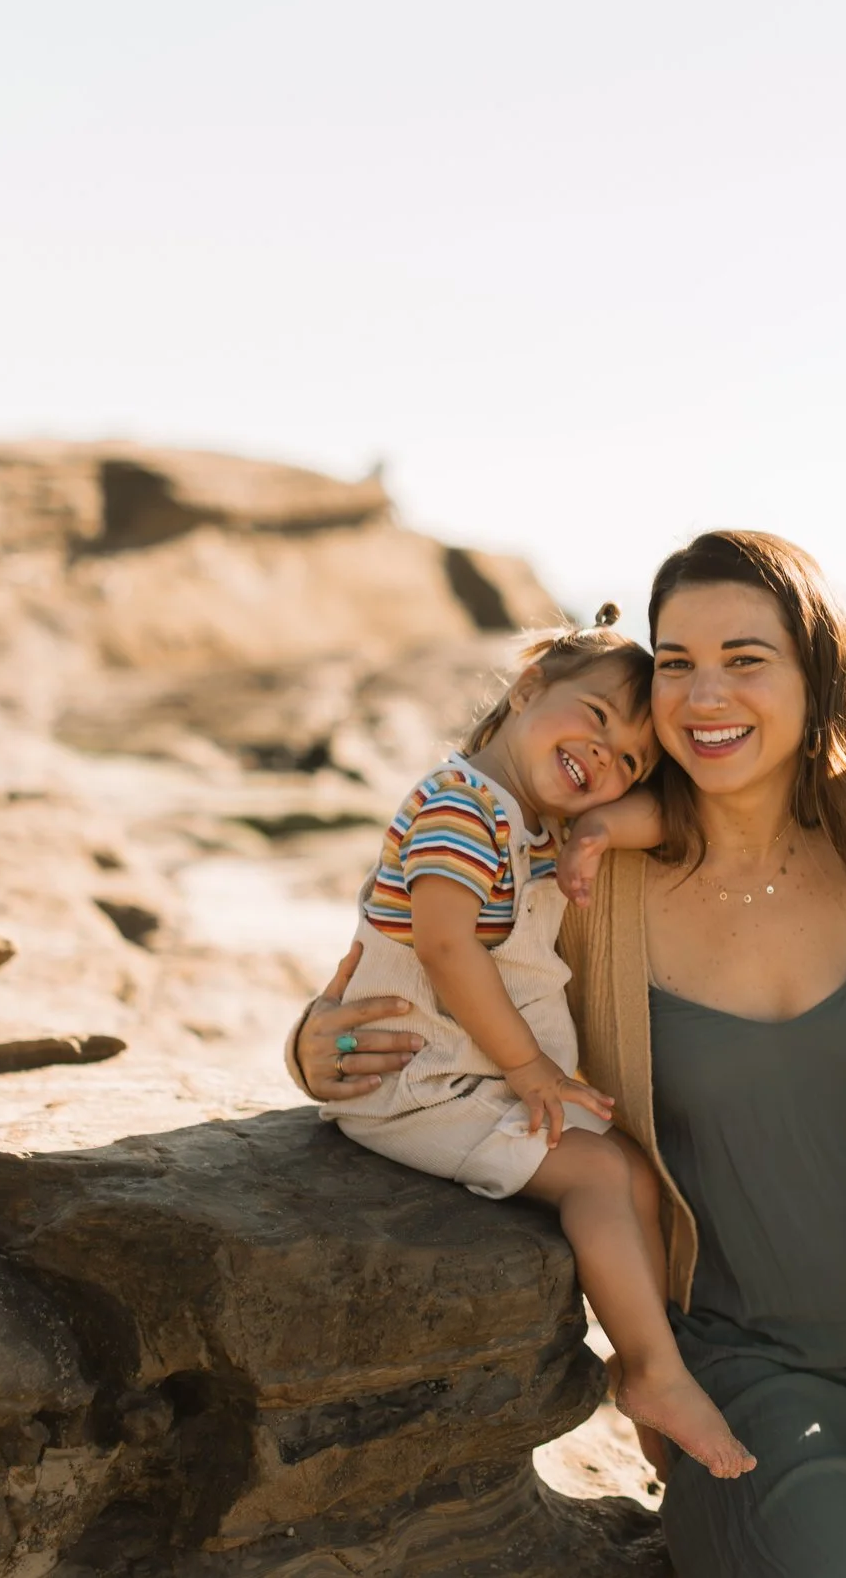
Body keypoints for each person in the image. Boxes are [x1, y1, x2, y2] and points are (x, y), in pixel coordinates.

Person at [293, 531, 846, 1578]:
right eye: (677, 661)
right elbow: (407, 967)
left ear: (817, 671)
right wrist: (312, 1042)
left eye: (746, 659)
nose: (703, 695)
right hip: (745, 1376)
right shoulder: (581, 887)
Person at [321, 606, 752, 1479]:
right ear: (525, 689)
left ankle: (655, 1387)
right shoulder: (458, 808)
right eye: (593, 719)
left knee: (634, 1170)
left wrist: (601, 826)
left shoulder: (536, 817)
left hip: (473, 1077)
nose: (605, 758)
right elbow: (445, 947)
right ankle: (653, 1377)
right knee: (598, 1172)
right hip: (415, 1080)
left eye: (630, 759)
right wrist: (532, 1070)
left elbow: (686, 815)